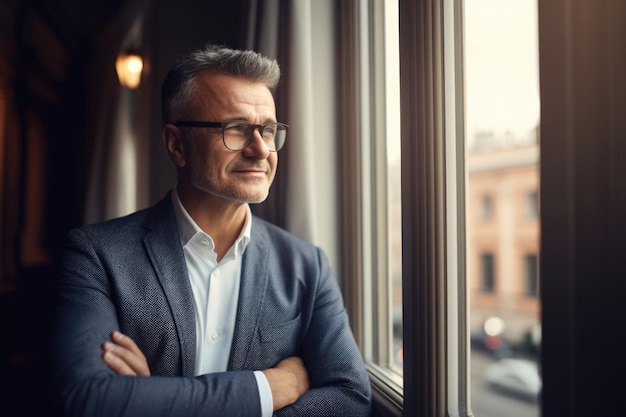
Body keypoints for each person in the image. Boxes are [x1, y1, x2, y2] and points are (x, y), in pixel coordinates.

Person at [51, 44, 372, 417]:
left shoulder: (307, 265)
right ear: (177, 145)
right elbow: (88, 399)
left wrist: (154, 400)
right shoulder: (95, 254)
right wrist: (268, 388)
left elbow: (350, 398)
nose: (260, 150)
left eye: (268, 131)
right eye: (236, 130)